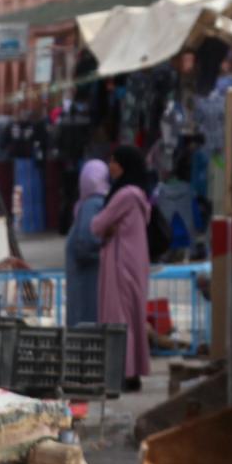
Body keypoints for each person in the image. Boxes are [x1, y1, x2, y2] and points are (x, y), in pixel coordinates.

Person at [93, 143, 155, 391]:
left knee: (119, 318)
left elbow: (97, 226)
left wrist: (107, 228)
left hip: (120, 264)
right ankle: (133, 372)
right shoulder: (138, 194)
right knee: (133, 317)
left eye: (115, 161)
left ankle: (124, 373)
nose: (111, 166)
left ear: (125, 165)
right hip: (134, 262)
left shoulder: (124, 195)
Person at [64, 157, 110, 328]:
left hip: (81, 280)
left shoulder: (83, 205)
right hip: (89, 280)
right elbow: (87, 241)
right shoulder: (95, 204)